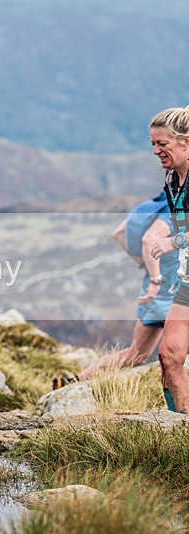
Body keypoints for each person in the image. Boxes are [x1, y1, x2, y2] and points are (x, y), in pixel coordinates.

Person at [53, 193, 178, 388]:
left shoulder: (158, 204)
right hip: (170, 291)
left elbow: (118, 233)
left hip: (155, 294)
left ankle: (73, 382)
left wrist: (147, 267)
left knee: (135, 354)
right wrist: (156, 279)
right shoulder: (175, 209)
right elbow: (149, 240)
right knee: (174, 354)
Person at [149, 107, 189, 414]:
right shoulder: (172, 178)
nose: (156, 150)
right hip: (186, 280)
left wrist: (171, 242)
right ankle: (182, 432)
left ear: (186, 143)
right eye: (153, 144)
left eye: (162, 143)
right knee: (169, 356)